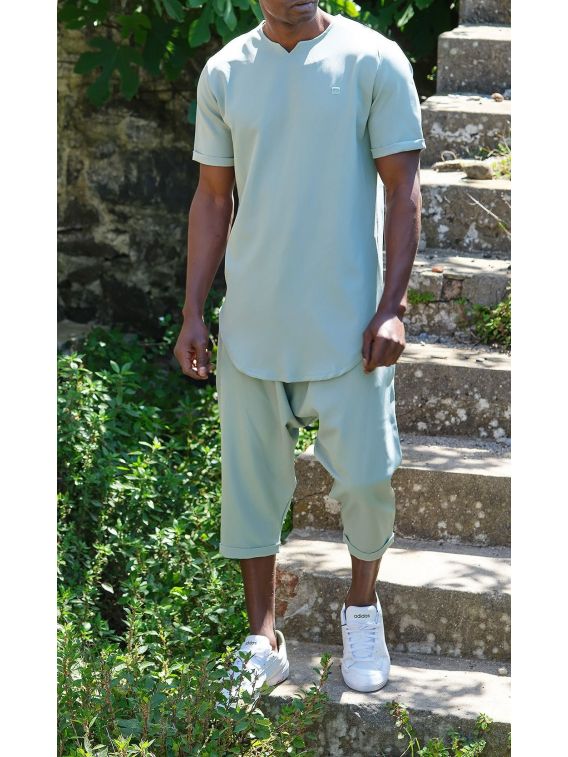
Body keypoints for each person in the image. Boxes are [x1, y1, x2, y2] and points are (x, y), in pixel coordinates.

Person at [174, 0, 425, 699]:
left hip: (349, 324)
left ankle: (362, 609)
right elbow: (211, 198)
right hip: (253, 320)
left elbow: (404, 190)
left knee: (368, 478)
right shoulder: (226, 71)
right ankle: (263, 638)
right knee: (249, 487)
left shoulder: (374, 60)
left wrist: (392, 307)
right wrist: (192, 312)